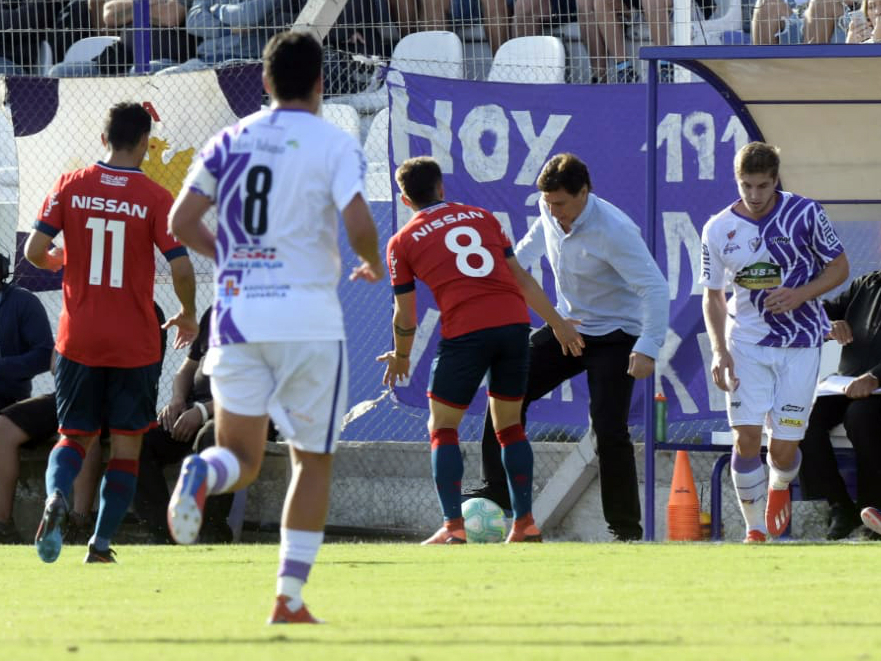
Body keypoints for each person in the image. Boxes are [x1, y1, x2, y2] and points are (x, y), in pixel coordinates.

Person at [166, 31, 383, 625]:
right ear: (320, 84)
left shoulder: (229, 139)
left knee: (239, 454)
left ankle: (201, 470)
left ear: (263, 83)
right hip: (307, 320)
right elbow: (359, 220)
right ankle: (288, 597)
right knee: (309, 460)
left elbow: (180, 219)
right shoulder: (332, 143)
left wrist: (228, 256)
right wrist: (374, 260)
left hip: (239, 315)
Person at [24, 101, 199, 564]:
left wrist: (55, 261)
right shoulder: (157, 198)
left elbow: (34, 249)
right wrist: (187, 311)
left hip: (79, 336)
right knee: (126, 443)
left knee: (73, 436)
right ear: (145, 142)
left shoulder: (71, 184)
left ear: (104, 139)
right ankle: (99, 545)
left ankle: (57, 496)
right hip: (133, 340)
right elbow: (180, 265)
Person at [380, 156, 585, 546]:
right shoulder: (482, 217)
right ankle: (525, 524)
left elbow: (405, 312)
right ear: (442, 188)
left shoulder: (402, 241)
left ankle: (453, 527)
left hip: (467, 333)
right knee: (510, 426)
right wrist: (556, 322)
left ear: (405, 200)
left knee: (442, 428)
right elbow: (519, 277)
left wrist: (401, 355)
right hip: (512, 326)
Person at [465, 153, 668, 542]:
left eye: (560, 203)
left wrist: (648, 346)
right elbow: (522, 256)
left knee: (610, 430)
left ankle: (625, 531)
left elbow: (655, 288)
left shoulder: (615, 229)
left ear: (584, 193)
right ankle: (497, 488)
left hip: (617, 335)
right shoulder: (548, 209)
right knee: (506, 389)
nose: (552, 210)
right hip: (568, 328)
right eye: (548, 202)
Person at [700, 141, 849, 543]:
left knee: (783, 450)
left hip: (800, 344)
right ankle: (755, 531)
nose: (754, 195)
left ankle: (780, 484)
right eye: (746, 185)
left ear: (775, 180)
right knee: (746, 438)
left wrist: (801, 293)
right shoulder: (717, 228)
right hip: (746, 343)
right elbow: (713, 295)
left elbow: (840, 267)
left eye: (762, 186)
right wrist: (719, 350)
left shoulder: (805, 213)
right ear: (737, 180)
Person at [134, 307, 247, 544]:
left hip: (241, 416)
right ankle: (165, 536)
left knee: (211, 436)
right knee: (137, 439)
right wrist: (177, 399)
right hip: (194, 410)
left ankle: (211, 532)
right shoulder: (214, 313)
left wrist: (203, 411)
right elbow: (187, 368)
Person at [797, 271, 881, 540]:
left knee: (861, 417)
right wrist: (829, 324)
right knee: (801, 419)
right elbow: (817, 313)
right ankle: (839, 507)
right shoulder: (866, 283)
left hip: (875, 386)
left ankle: (873, 512)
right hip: (846, 383)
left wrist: (875, 376)